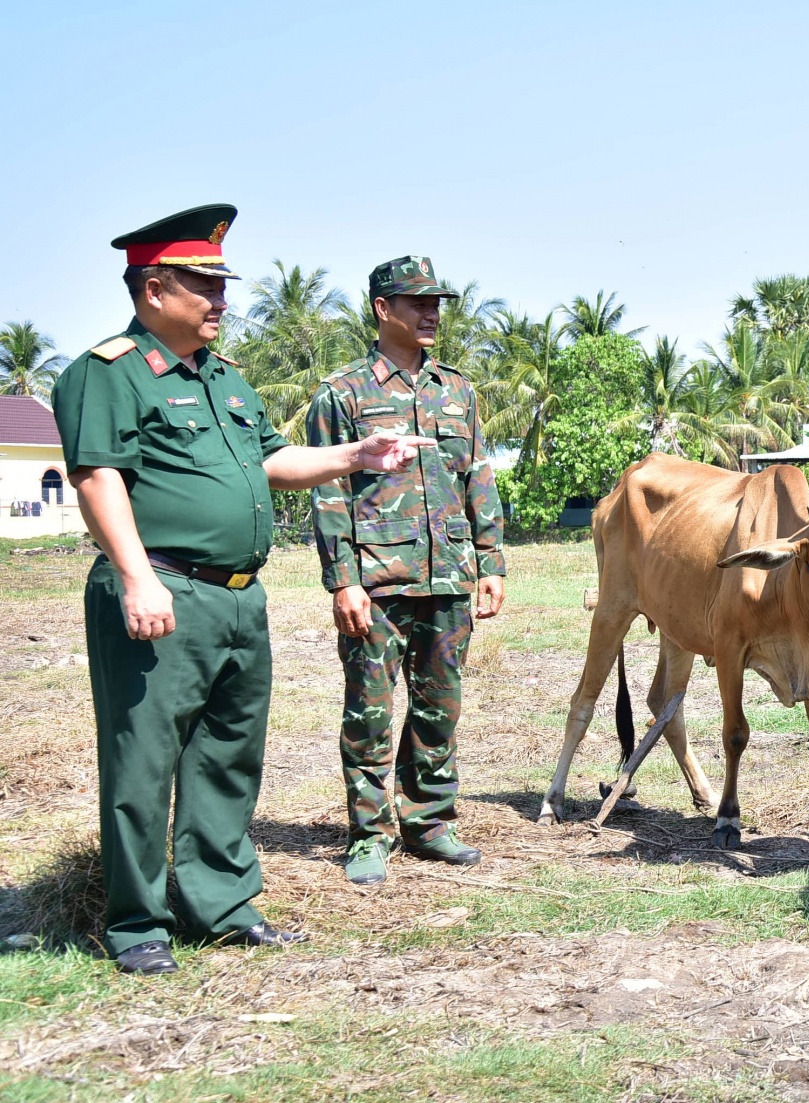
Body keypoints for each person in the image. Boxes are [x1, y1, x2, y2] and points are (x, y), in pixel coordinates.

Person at [52, 205, 435, 975]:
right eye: (204, 284)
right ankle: (136, 924)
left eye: (223, 283)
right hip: (162, 590)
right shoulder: (108, 372)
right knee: (142, 764)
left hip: (236, 598)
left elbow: (272, 462)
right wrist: (134, 577)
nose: (221, 299)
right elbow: (98, 479)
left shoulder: (223, 379)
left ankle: (219, 905)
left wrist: (358, 454)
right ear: (155, 288)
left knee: (227, 756)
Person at [307, 257, 506, 886]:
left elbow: (478, 477)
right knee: (369, 710)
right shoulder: (343, 394)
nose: (431, 313)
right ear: (382, 309)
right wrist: (342, 579)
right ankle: (370, 833)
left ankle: (431, 822)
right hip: (376, 578)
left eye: (437, 302)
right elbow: (329, 489)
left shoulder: (459, 390)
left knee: (438, 705)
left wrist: (491, 561)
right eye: (417, 302)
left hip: (448, 573)